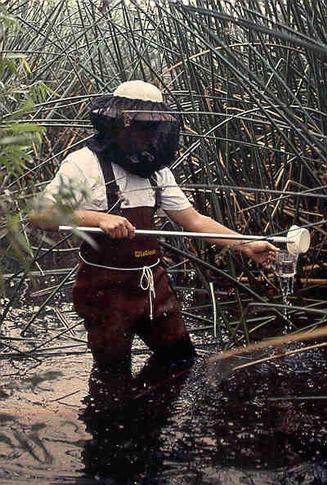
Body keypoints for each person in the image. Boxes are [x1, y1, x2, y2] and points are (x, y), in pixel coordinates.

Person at [30, 80, 278, 373]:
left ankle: (156, 416)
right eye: (141, 126)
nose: (149, 135)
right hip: (105, 292)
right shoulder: (84, 163)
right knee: (112, 377)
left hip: (153, 288)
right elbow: (41, 214)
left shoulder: (156, 171)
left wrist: (246, 244)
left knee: (180, 361)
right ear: (118, 123)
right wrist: (99, 218)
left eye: (154, 126)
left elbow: (194, 220)